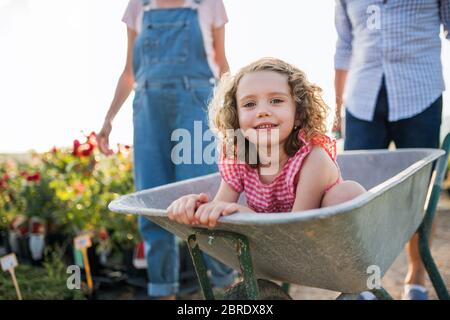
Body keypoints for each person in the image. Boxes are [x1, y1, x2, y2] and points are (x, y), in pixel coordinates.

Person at [97, 0, 235, 299]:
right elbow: (129, 73)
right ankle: (163, 291)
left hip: (196, 105)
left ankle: (231, 286)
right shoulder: (139, 7)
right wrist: (108, 120)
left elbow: (222, 66)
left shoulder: (208, 4)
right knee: (152, 203)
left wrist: (234, 114)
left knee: (204, 200)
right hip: (148, 110)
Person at [333, 0, 450, 300]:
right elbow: (345, 46)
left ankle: (416, 276)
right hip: (361, 99)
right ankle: (364, 282)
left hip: (419, 94)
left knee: (418, 192)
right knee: (355, 193)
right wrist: (336, 106)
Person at [167, 57, 366, 228]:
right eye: (250, 104)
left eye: (276, 101)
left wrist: (247, 215)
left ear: (298, 114)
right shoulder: (240, 157)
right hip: (276, 251)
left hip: (319, 244)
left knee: (346, 193)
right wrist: (195, 207)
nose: (262, 111)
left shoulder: (314, 159)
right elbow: (218, 214)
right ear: (237, 118)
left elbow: (297, 230)